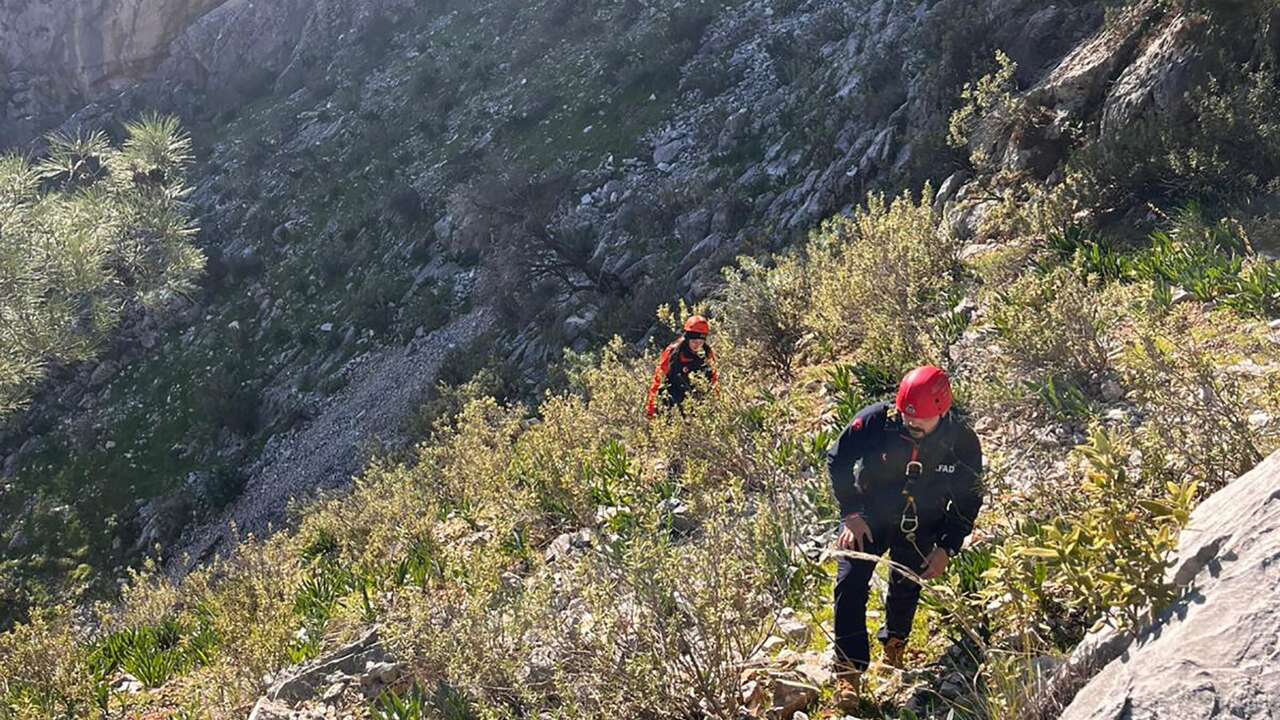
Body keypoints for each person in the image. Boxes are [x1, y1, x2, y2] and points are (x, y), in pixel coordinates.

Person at [826, 365, 982, 708]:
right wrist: (850, 513)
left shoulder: (961, 441)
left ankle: (895, 644)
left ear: (941, 409)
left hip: (922, 521)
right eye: (906, 415)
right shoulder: (876, 422)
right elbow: (838, 459)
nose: (910, 422)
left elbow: (969, 497)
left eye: (919, 419)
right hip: (869, 515)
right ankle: (848, 670)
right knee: (849, 580)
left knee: (907, 583)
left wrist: (947, 546)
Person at [645, 315, 718, 418]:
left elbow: (714, 380)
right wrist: (651, 410)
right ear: (687, 338)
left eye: (701, 342)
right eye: (694, 341)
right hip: (672, 401)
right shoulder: (673, 352)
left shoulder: (707, 353)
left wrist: (717, 404)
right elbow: (658, 380)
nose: (697, 345)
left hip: (697, 403)